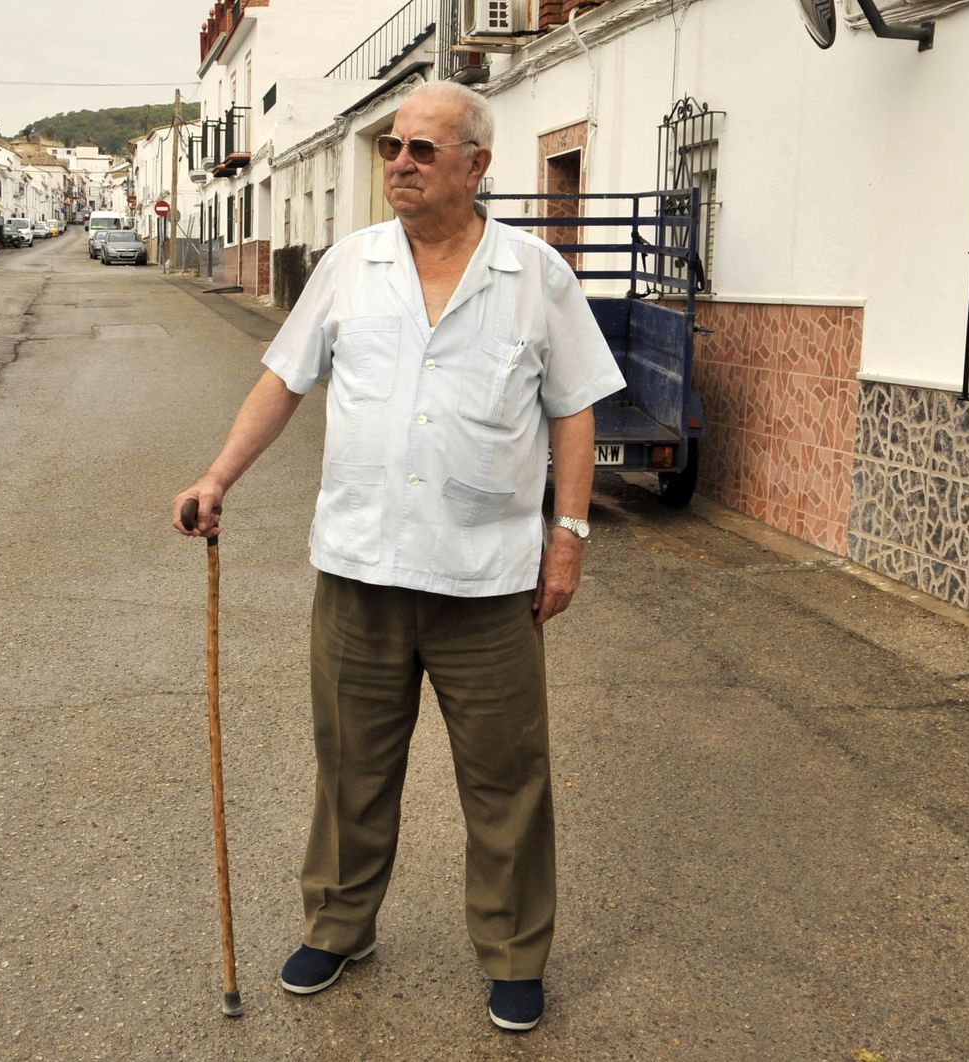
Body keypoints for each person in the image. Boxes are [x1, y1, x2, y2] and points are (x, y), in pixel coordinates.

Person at [171, 80, 625, 1032]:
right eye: (392, 149)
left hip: (487, 583)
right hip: (360, 572)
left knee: (507, 778)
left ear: (477, 165)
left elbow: (574, 410)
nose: (402, 164)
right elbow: (283, 380)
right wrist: (218, 477)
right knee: (351, 767)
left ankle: (512, 953)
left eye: (424, 148)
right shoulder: (351, 264)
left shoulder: (535, 277)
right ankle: (339, 925)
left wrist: (569, 538)